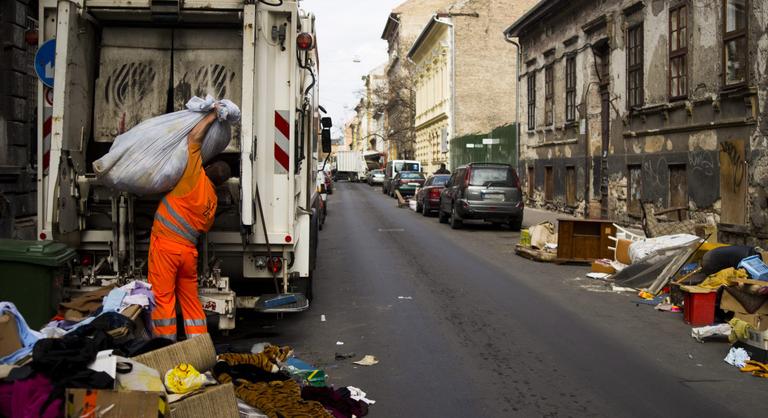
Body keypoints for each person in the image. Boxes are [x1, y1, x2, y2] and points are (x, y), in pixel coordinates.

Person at [148, 110, 232, 341]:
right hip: (187, 254)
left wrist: (211, 116)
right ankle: (199, 342)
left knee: (164, 299)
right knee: (191, 301)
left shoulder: (193, 176)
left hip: (166, 249)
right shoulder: (212, 202)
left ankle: (166, 346)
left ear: (208, 168)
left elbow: (193, 139)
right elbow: (203, 229)